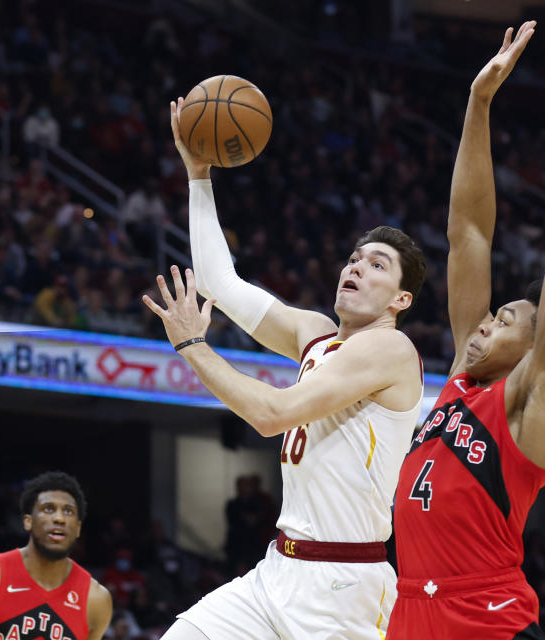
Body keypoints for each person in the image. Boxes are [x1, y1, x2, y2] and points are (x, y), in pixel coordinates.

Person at [141, 97, 427, 639]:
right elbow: (220, 285)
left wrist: (193, 347)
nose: (357, 267)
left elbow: (273, 414)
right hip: (278, 569)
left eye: (377, 265)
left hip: (343, 587)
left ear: (401, 300)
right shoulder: (315, 334)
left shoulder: (390, 351)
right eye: (354, 258)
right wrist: (198, 176)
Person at [387, 24, 545, 639]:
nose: (484, 323)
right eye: (492, 314)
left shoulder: (531, 402)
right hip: (411, 609)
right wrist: (478, 102)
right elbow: (469, 232)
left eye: (505, 321)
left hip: (486, 618)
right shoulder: (460, 384)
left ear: (536, 345)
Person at [0, 472, 112, 640]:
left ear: (78, 528)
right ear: (28, 521)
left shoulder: (96, 600)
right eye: (48, 509)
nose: (59, 519)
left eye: (68, 511)